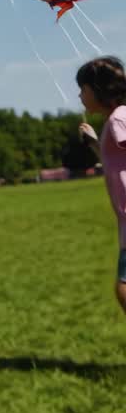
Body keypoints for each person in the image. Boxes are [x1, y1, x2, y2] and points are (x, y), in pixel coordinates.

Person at [77, 56, 126, 313]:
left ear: (98, 90)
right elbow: (114, 162)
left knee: (123, 289)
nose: (79, 95)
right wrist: (94, 143)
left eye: (82, 89)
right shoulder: (115, 121)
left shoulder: (119, 120)